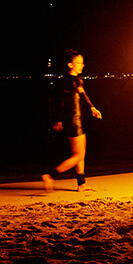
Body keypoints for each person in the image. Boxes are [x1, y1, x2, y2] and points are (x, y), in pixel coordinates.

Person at [42, 49, 102, 192]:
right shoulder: (76, 80)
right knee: (78, 155)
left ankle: (81, 184)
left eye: (82, 62)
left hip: (71, 121)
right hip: (75, 121)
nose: (82, 65)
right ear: (70, 65)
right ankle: (50, 176)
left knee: (81, 153)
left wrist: (59, 120)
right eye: (79, 63)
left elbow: (62, 102)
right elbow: (83, 95)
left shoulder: (65, 81)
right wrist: (92, 107)